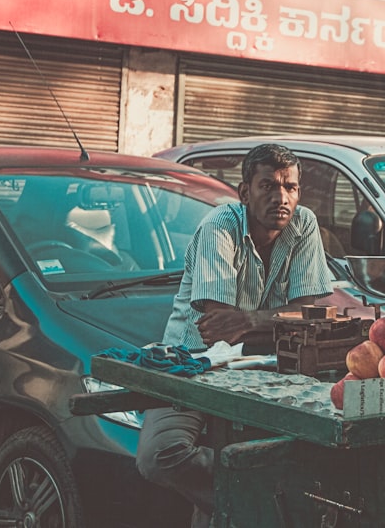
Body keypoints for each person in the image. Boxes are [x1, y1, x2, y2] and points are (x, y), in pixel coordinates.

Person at [135, 143, 333, 527]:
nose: (281, 197)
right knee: (159, 454)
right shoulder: (218, 227)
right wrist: (275, 320)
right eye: (268, 186)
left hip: (267, 368)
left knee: (304, 446)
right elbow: (217, 328)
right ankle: (255, 500)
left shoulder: (303, 224)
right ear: (244, 193)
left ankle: (247, 499)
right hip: (193, 364)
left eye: (290, 187)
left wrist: (252, 321)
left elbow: (309, 315)